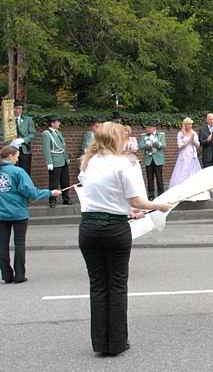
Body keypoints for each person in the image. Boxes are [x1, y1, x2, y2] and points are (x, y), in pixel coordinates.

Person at [78, 122, 170, 356]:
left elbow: (103, 197)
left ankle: (100, 343)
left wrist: (129, 210)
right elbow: (137, 200)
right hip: (114, 229)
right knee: (117, 285)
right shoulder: (123, 164)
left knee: (98, 286)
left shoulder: (87, 162)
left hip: (88, 227)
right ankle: (117, 343)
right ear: (115, 139)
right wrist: (159, 205)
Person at [0, 146, 61, 284]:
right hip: (18, 214)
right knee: (19, 244)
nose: (18, 158)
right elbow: (31, 192)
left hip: (1, 215)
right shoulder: (18, 172)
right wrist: (50, 193)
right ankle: (19, 275)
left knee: (2, 245)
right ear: (10, 156)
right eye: (17, 155)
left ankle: (6, 275)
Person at [42, 115, 72, 208]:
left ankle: (66, 198)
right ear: (52, 123)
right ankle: (52, 200)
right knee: (54, 183)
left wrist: (66, 158)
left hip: (63, 160)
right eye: (57, 122)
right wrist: (49, 162)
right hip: (55, 161)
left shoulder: (58, 132)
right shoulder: (46, 134)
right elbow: (46, 149)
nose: (59, 123)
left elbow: (63, 147)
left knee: (65, 181)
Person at [169, 118, 201, 188]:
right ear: (185, 125)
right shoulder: (180, 134)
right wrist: (188, 141)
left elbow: (198, 145)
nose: (190, 126)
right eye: (188, 124)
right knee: (182, 172)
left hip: (192, 155)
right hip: (184, 155)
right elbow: (179, 146)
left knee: (193, 172)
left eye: (191, 124)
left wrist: (193, 141)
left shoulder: (194, 133)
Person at [138, 121, 166, 201]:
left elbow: (163, 145)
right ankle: (151, 195)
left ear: (154, 128)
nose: (147, 129)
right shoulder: (143, 136)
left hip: (158, 159)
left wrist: (155, 142)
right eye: (146, 127)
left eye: (148, 127)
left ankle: (161, 194)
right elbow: (140, 146)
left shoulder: (160, 135)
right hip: (148, 159)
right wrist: (148, 144)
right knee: (149, 178)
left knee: (159, 177)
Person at [13, 102, 36, 176]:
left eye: (20, 109)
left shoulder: (28, 119)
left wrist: (23, 140)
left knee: (25, 172)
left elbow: (33, 133)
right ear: (13, 109)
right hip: (12, 150)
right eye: (16, 108)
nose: (18, 110)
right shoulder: (7, 120)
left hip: (25, 150)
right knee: (13, 171)